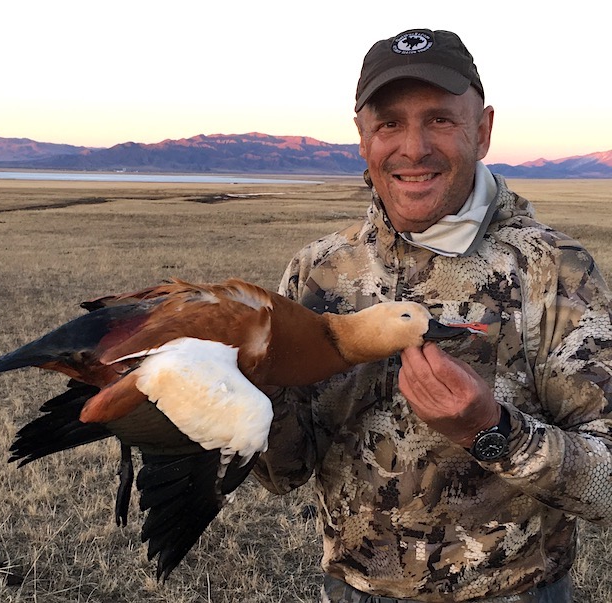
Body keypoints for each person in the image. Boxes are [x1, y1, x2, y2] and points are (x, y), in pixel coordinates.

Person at [253, 28, 612, 603]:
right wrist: (227, 396)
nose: (413, 148)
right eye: (389, 123)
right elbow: (282, 472)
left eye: (440, 120)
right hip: (352, 592)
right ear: (363, 138)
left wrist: (492, 433)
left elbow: (607, 483)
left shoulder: (554, 272)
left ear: (484, 130)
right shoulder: (317, 272)